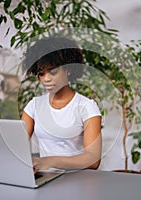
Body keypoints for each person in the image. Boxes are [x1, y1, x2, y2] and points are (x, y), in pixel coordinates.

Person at [21, 37, 102, 171]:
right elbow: (17, 145)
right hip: (46, 180)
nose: (46, 79)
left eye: (53, 72)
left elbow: (93, 160)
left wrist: (51, 161)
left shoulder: (87, 107)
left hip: (77, 181)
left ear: (68, 69)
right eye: (41, 74)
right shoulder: (34, 105)